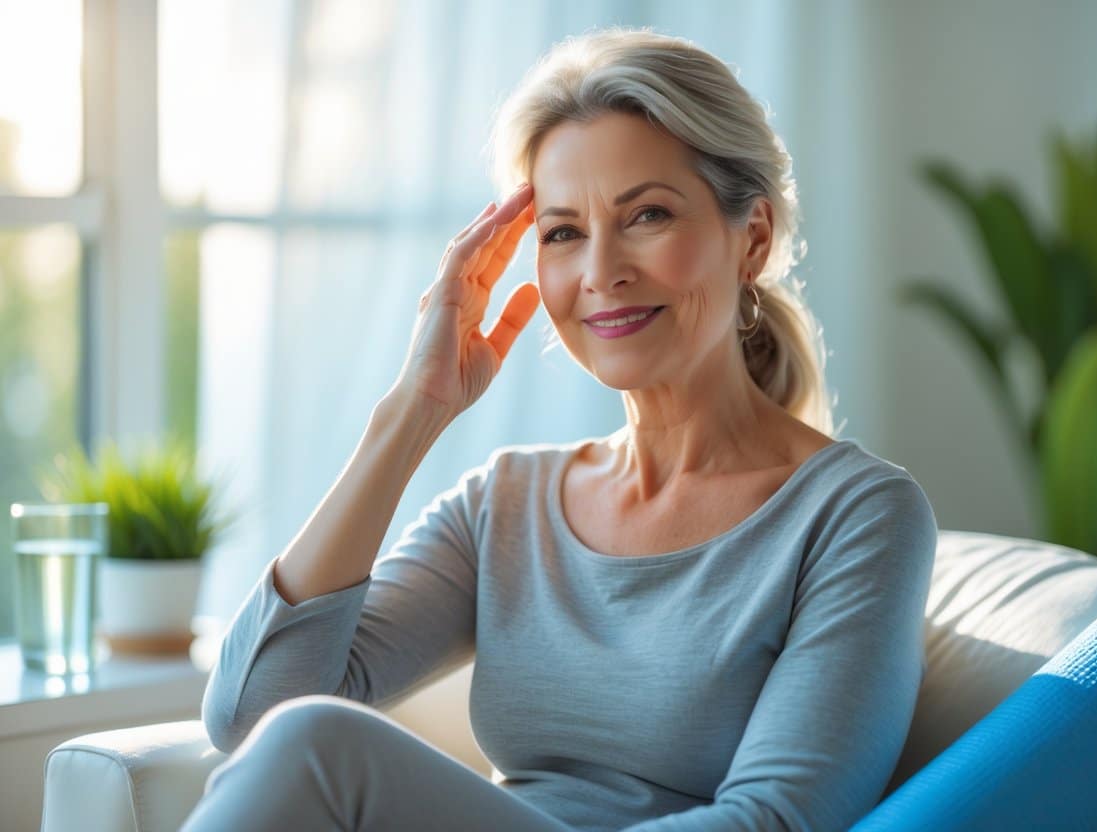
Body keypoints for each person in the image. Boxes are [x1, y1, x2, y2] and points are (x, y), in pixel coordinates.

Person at [181, 25, 937, 832]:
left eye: (646, 214)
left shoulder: (856, 516)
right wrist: (413, 411)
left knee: (318, 745)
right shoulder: (507, 504)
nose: (600, 271)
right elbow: (249, 712)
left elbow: (780, 821)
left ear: (749, 238)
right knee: (303, 731)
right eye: (563, 232)